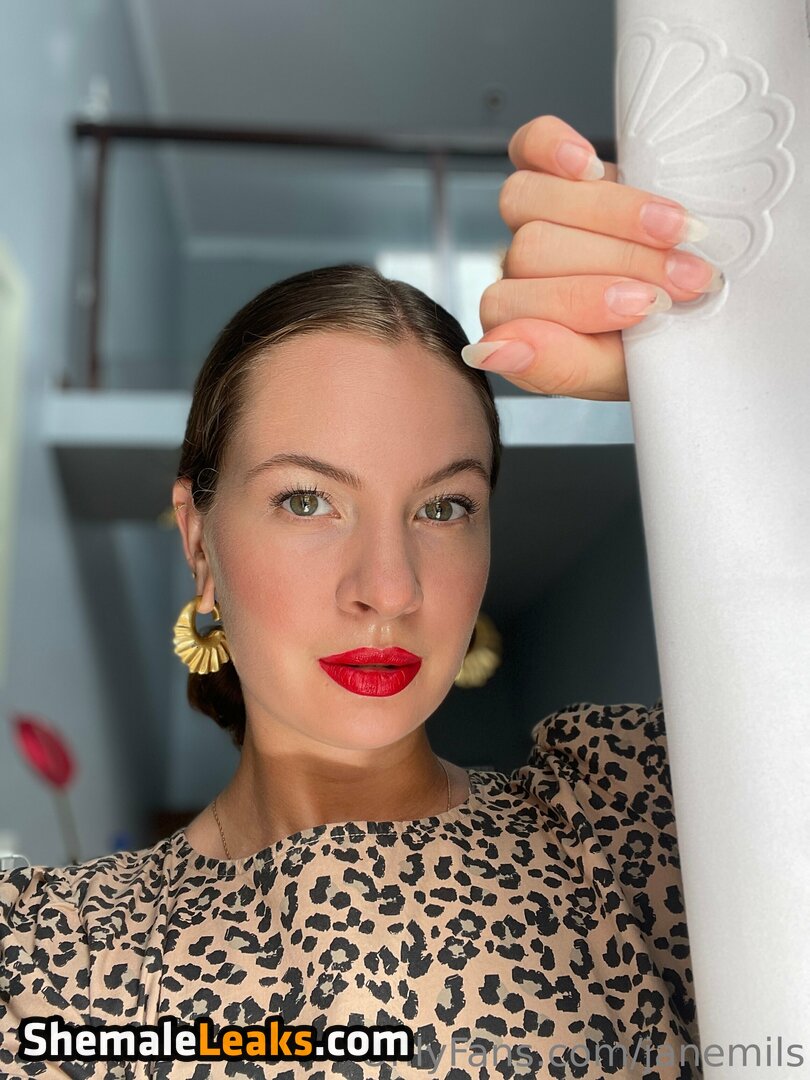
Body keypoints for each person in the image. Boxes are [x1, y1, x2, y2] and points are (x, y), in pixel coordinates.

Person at [0, 116, 721, 1079]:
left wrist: (736, 349)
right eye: (308, 500)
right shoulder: (48, 961)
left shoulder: (636, 821)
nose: (389, 589)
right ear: (199, 541)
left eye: (444, 507)